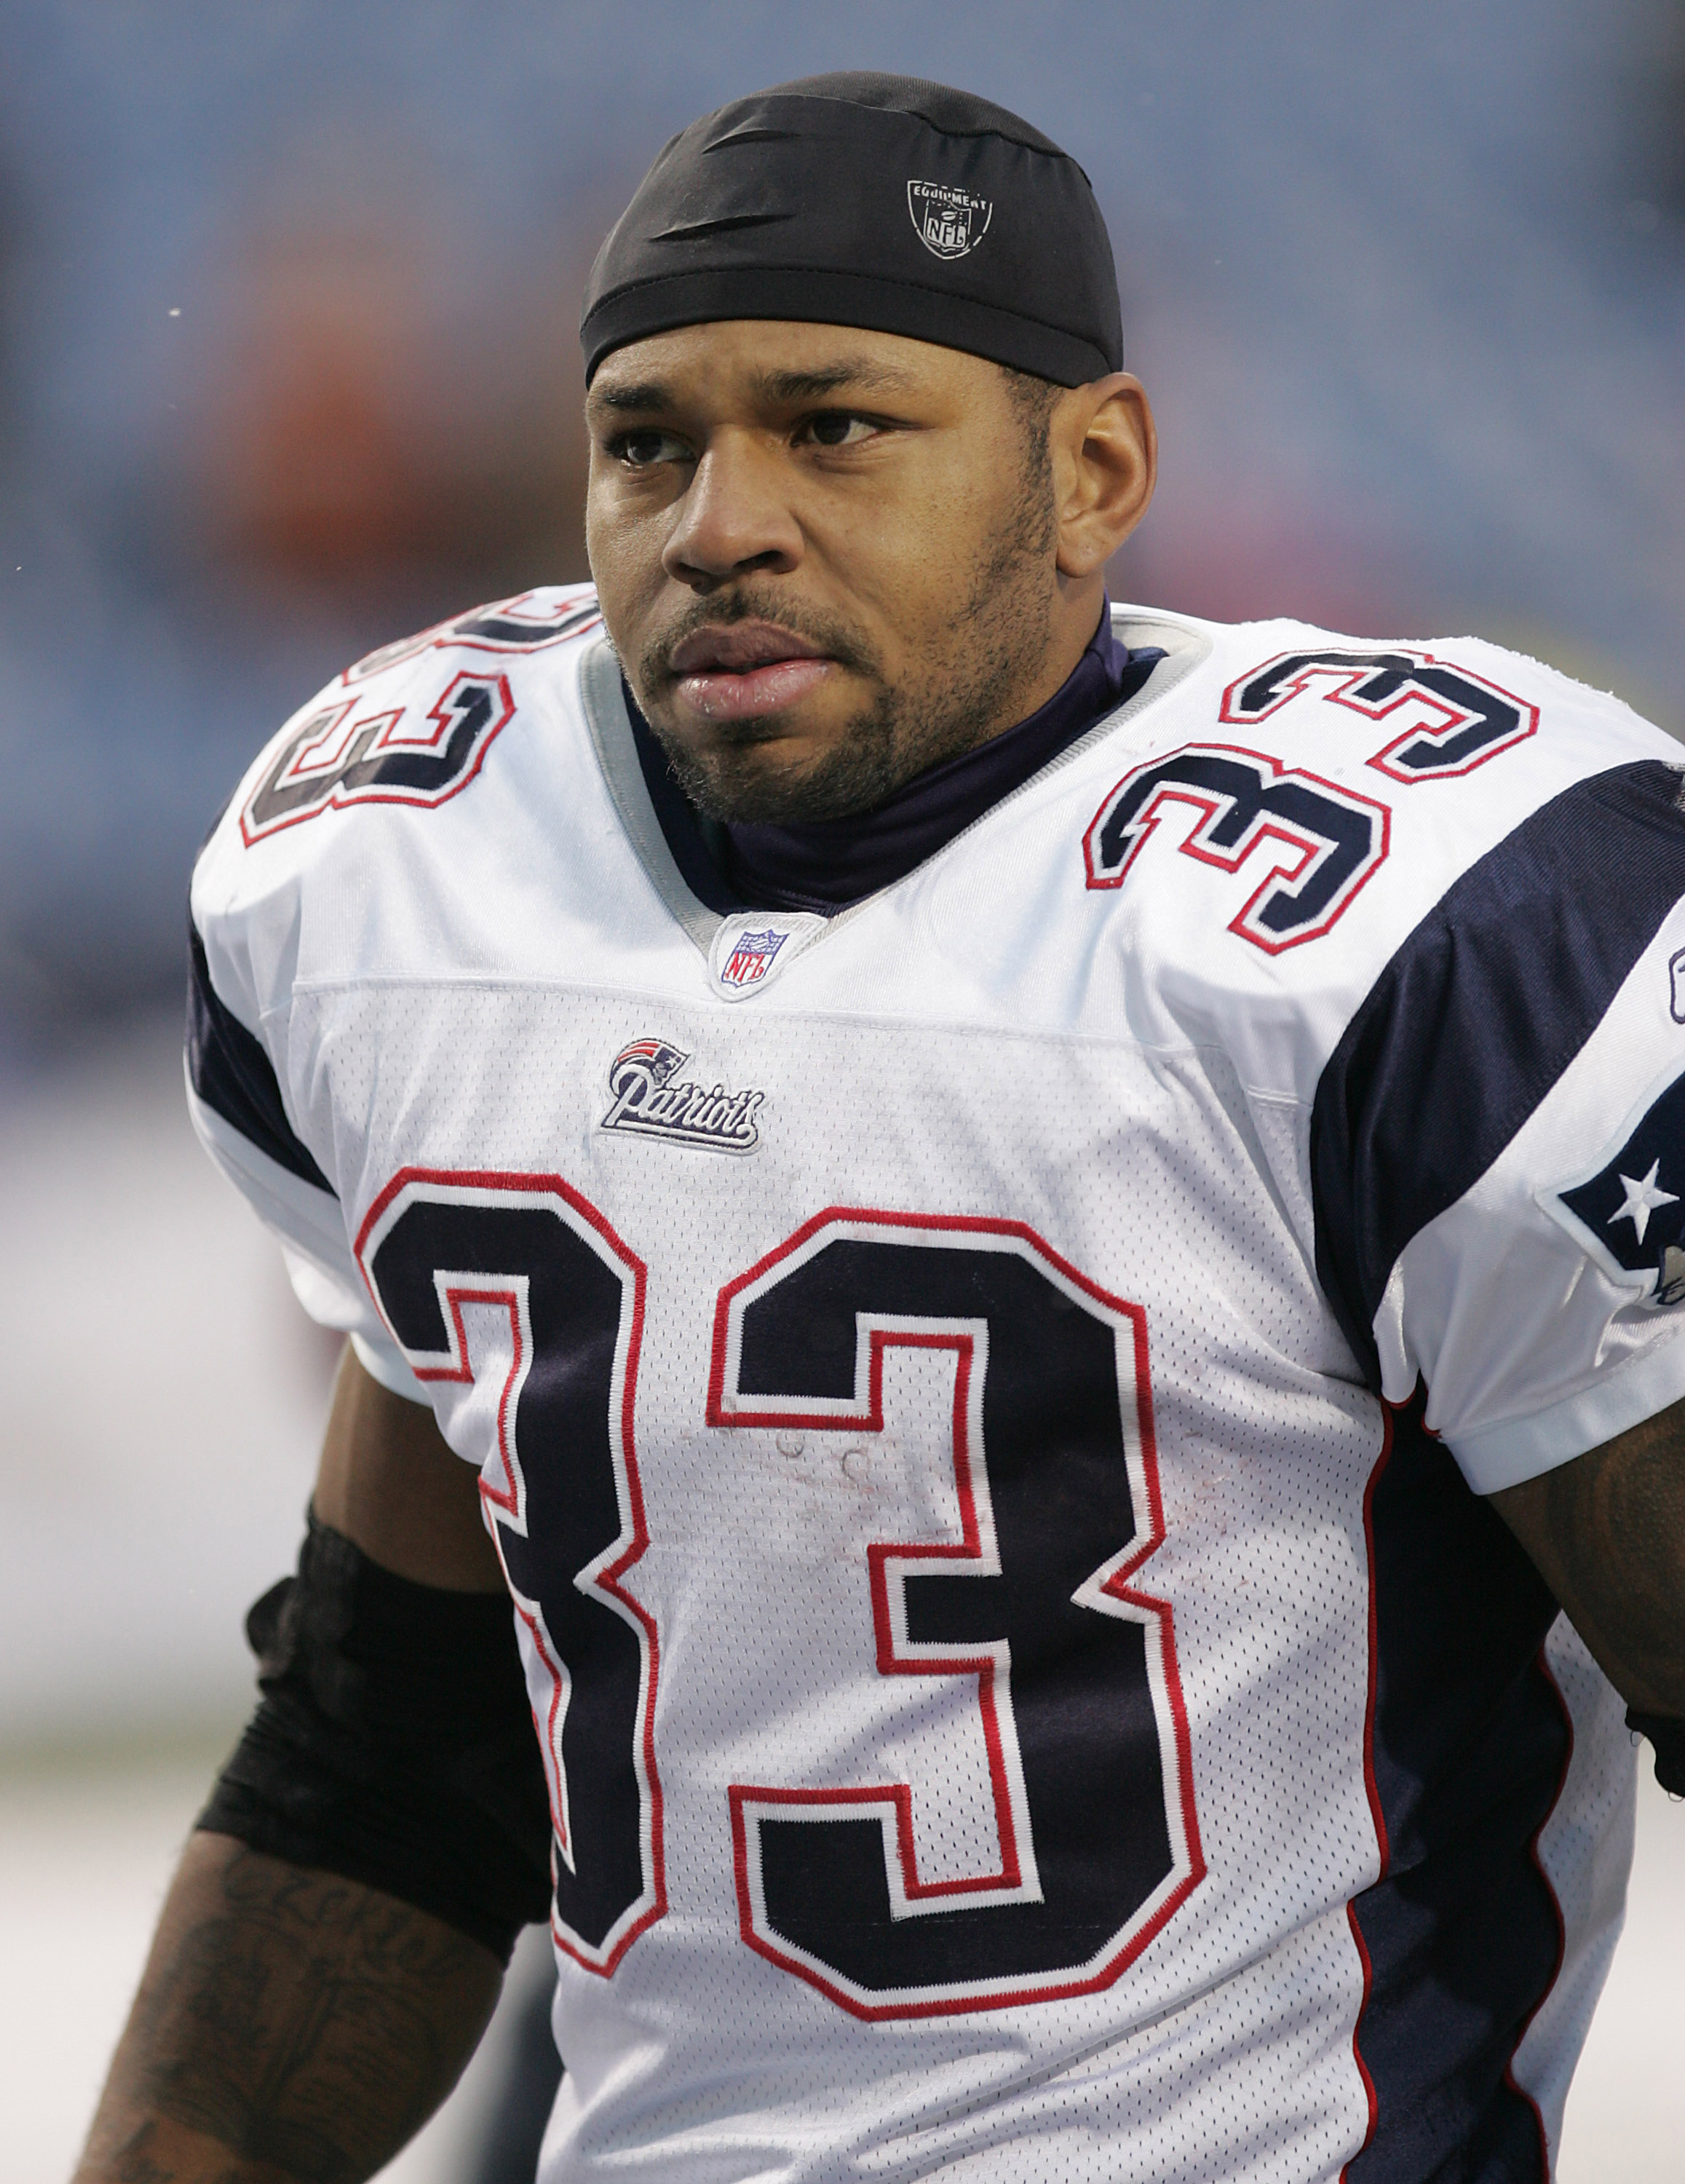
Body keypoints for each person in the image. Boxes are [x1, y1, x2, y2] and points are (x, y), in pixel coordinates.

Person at [74, 71, 1683, 2184]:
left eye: (834, 427)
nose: (716, 521)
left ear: (1094, 468)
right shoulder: (399, 869)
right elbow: (394, 1756)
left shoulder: (1423, 922)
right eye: (643, 443)